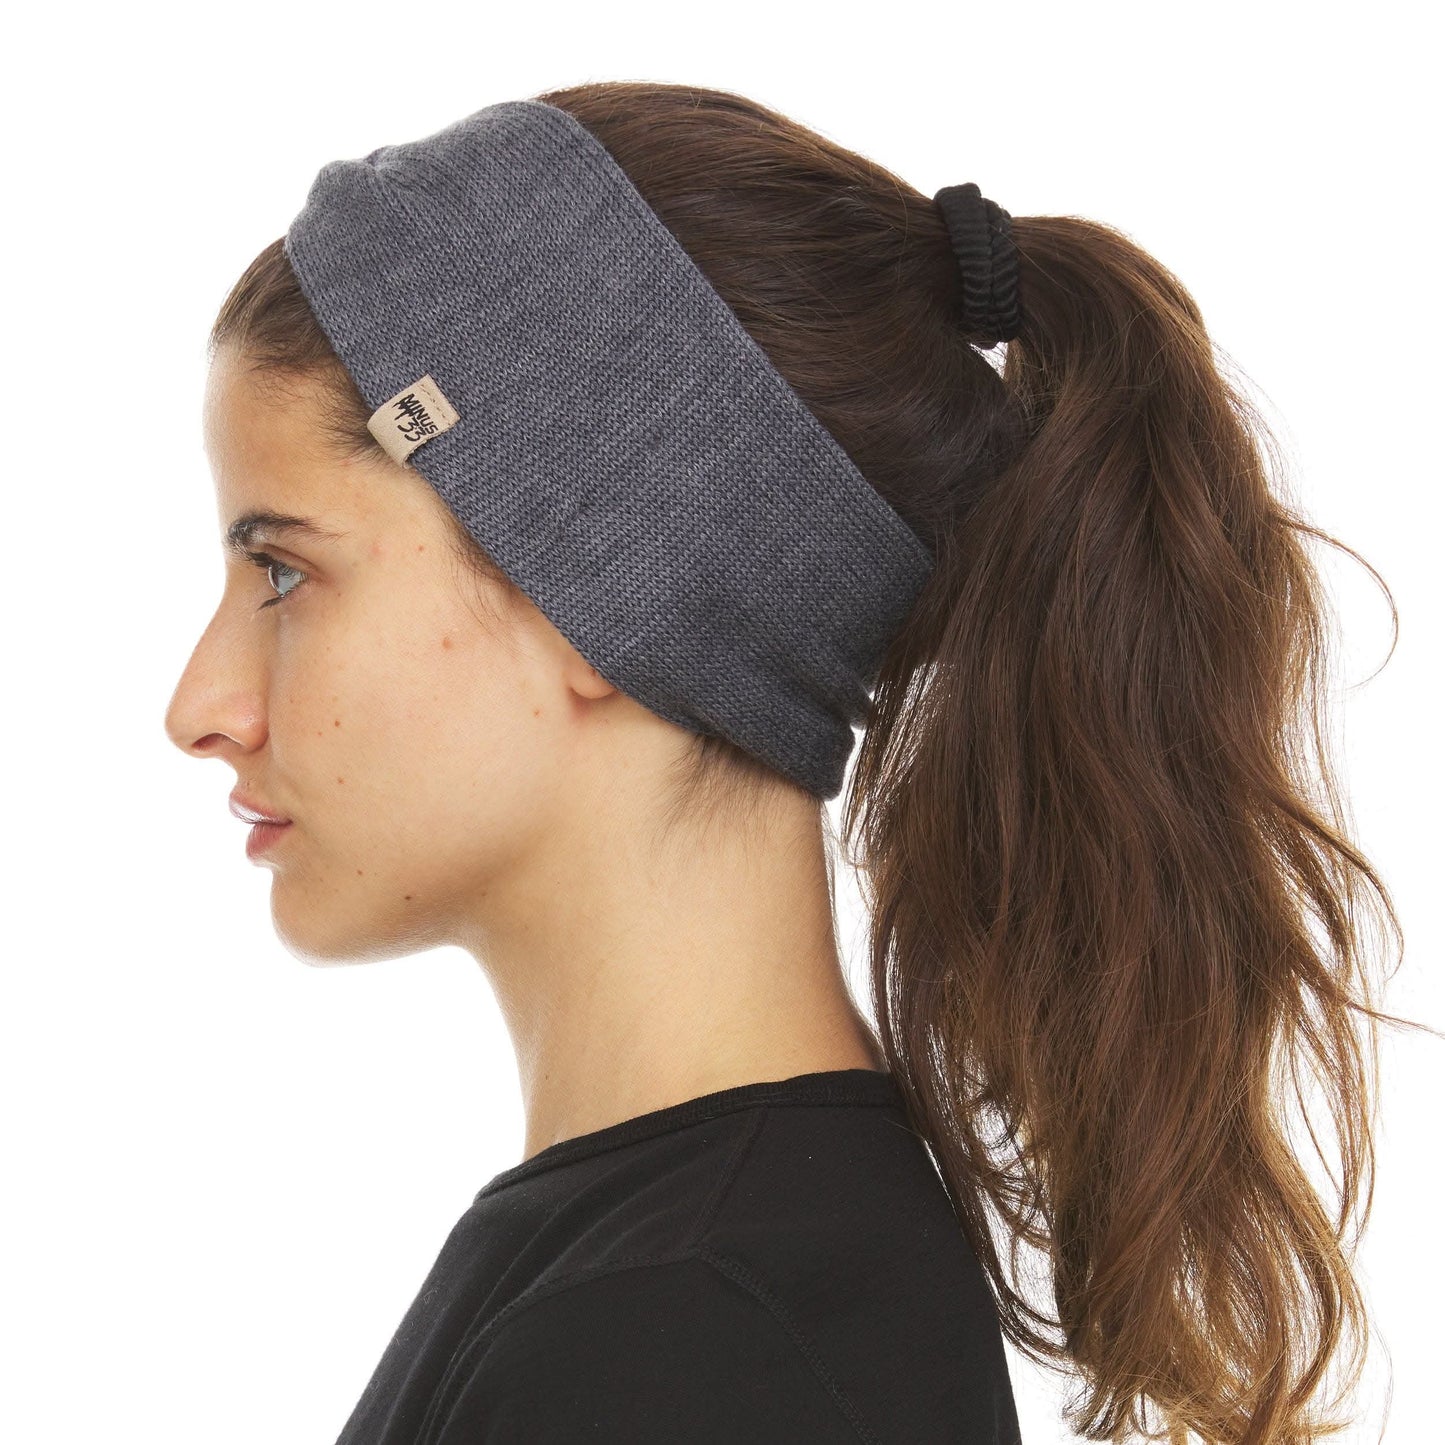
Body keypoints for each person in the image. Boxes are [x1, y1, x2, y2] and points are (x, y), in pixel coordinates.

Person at [163, 80, 1401, 1445]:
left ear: (601, 584)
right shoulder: (685, 1277)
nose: (200, 706)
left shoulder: (678, 1337)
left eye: (283, 571)